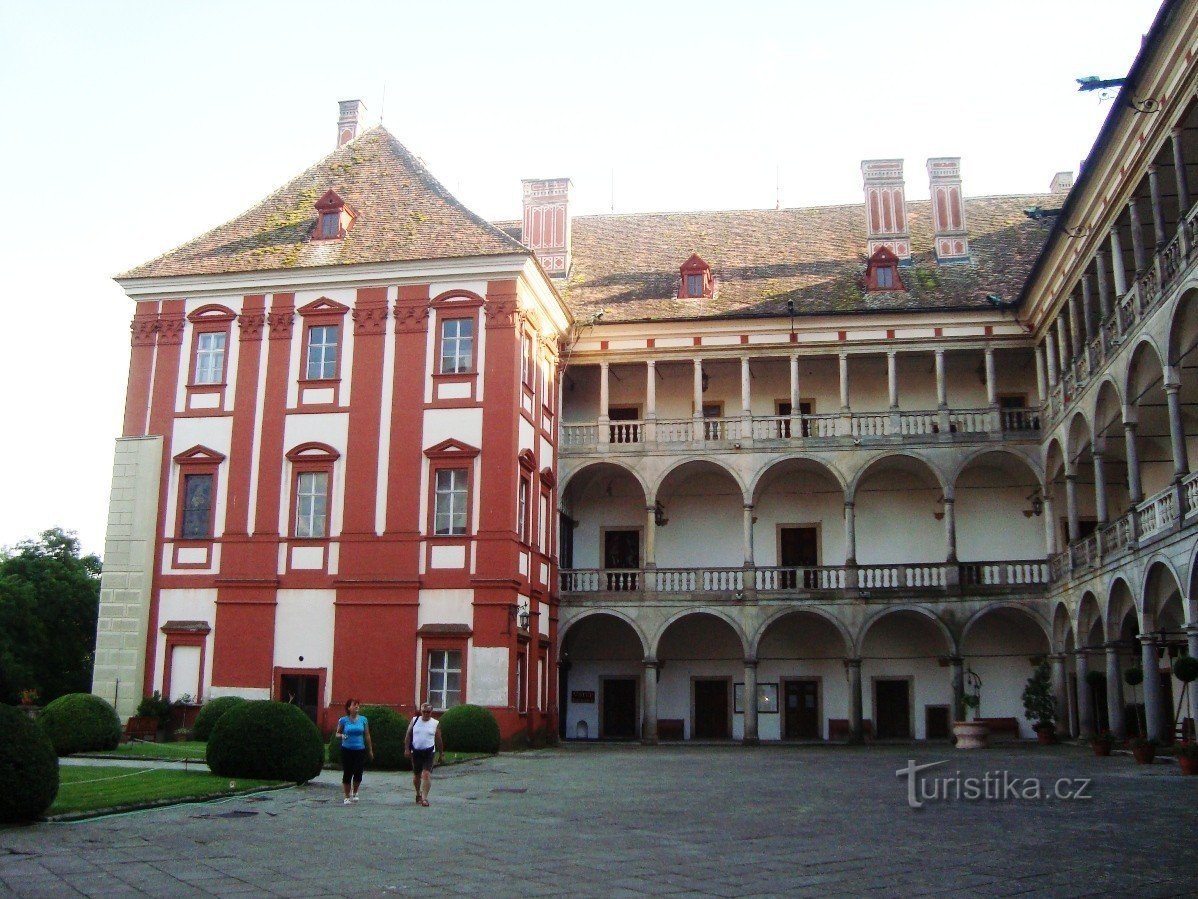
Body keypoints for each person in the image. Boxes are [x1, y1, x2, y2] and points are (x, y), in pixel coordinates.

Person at [404, 703, 444, 807]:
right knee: (417, 775)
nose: (426, 714)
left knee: (426, 774)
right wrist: (407, 749)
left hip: (429, 752)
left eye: (428, 712)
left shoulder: (435, 723)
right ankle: (418, 793)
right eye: (424, 711)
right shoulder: (414, 720)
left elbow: (439, 739)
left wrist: (441, 753)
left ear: (431, 712)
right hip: (416, 751)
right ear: (421, 711)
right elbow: (408, 735)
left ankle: (424, 798)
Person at [335, 699, 373, 805]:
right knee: (347, 772)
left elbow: (367, 735)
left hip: (360, 749)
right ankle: (347, 796)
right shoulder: (343, 720)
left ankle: (355, 792)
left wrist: (370, 749)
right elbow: (337, 733)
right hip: (346, 749)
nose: (357, 707)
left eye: (358, 705)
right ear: (349, 708)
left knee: (358, 772)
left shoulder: (363, 720)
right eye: (354, 705)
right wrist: (342, 735)